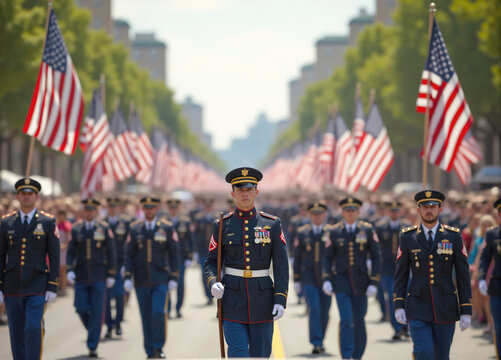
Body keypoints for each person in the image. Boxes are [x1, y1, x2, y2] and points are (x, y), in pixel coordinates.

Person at [204, 167, 289, 358]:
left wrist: (280, 298)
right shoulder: (221, 225)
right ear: (232, 193)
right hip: (232, 300)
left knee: (260, 354)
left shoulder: (272, 224)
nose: (244, 193)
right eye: (240, 189)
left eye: (249, 189)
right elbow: (211, 261)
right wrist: (212, 283)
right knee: (238, 352)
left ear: (256, 192)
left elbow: (281, 266)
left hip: (262, 300)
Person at [393, 190, 472, 360]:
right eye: (425, 207)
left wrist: (466, 308)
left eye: (433, 207)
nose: (429, 210)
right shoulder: (408, 237)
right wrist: (399, 304)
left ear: (440, 210)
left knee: (442, 355)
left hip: (445, 306)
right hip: (417, 306)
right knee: (423, 351)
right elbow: (401, 274)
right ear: (418, 210)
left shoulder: (453, 236)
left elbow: (463, 274)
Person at [0, 178, 60, 360]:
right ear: (17, 196)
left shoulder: (48, 222)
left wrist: (52, 285)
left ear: (36, 197)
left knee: (33, 327)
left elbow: (55, 256)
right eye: (23, 194)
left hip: (37, 285)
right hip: (12, 286)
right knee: (16, 333)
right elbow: (1, 256)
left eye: (30, 194)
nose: (27, 197)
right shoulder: (6, 222)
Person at [322, 196, 381, 360]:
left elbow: (376, 256)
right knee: (346, 320)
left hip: (362, 283)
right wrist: (326, 279)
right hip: (341, 282)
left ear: (358, 211)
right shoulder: (334, 231)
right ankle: (346, 355)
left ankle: (358, 354)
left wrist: (374, 282)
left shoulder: (367, 230)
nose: (350, 213)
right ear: (342, 212)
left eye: (353, 210)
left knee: (359, 321)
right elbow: (327, 257)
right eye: (347, 210)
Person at [124, 197, 179, 359]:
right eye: (146, 208)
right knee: (145, 315)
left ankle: (158, 345)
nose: (149, 211)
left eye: (152, 208)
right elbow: (129, 255)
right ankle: (149, 350)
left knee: (157, 312)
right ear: (143, 209)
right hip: (141, 279)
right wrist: (127, 276)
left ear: (156, 209)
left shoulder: (167, 228)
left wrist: (174, 276)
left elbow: (174, 254)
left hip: (160, 278)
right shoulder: (135, 228)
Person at [66, 199, 117, 358]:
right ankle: (93, 331)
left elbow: (111, 252)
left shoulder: (104, 228)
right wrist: (69, 269)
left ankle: (92, 345)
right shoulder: (76, 229)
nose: (89, 212)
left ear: (96, 211)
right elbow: (70, 251)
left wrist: (111, 273)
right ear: (84, 211)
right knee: (80, 307)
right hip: (81, 276)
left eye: (92, 210)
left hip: (99, 276)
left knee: (97, 311)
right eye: (86, 210)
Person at [293, 201, 332, 354]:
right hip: (307, 277)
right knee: (314, 308)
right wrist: (296, 279)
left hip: (326, 278)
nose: (317, 217)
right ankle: (316, 341)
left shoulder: (331, 232)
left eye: (320, 214)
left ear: (324, 215)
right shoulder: (303, 233)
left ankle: (321, 338)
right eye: (314, 214)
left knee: (325, 311)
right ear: (309, 215)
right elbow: (297, 257)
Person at [374, 201, 410, 340]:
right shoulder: (380, 227)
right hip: (387, 268)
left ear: (400, 211)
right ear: (388, 212)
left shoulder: (407, 227)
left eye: (397, 210)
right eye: (392, 211)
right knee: (392, 297)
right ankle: (396, 328)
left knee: (406, 297)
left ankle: (406, 326)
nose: (394, 213)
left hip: (404, 268)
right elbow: (376, 249)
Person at [478, 197, 501, 359]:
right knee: (499, 328)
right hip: (497, 286)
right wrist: (481, 278)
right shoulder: (492, 234)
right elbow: (485, 258)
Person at [104, 197, 130, 338]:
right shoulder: (102, 223)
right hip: (107, 265)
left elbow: (128, 245)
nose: (112, 209)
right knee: (107, 298)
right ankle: (109, 325)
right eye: (110, 206)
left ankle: (118, 322)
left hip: (120, 263)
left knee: (120, 295)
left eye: (114, 206)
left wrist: (126, 265)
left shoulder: (124, 223)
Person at [166, 197, 194, 318]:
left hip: (181, 258)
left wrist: (190, 257)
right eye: (171, 208)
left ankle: (178, 308)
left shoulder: (185, 222)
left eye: (175, 208)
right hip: (167, 259)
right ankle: (167, 308)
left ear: (179, 208)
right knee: (167, 284)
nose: (173, 210)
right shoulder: (163, 222)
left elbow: (190, 240)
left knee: (180, 284)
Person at [56, 209, 72, 296]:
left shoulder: (67, 225)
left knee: (63, 270)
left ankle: (63, 288)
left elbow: (68, 238)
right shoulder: (57, 225)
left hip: (64, 250)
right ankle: (58, 288)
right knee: (58, 270)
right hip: (58, 249)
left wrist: (64, 245)